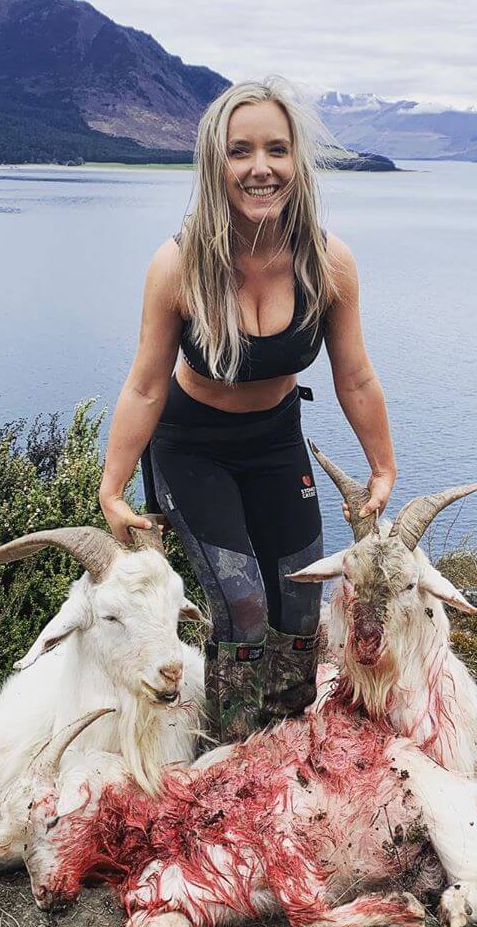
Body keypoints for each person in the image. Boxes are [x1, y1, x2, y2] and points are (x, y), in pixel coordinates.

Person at [98, 77, 396, 743]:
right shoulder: (178, 265)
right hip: (191, 448)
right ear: (216, 163)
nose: (261, 168)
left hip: (276, 440)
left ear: (297, 161)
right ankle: (232, 748)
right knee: (244, 606)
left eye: (276, 150)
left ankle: (287, 740)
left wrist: (382, 466)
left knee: (302, 597)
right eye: (241, 152)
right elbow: (145, 386)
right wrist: (111, 487)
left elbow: (354, 375)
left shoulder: (328, 262)